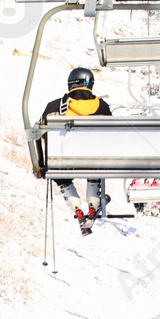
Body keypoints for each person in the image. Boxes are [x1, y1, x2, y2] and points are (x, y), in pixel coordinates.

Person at [42, 67, 112, 235]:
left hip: (62, 161)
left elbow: (41, 133)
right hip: (94, 160)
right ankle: (93, 204)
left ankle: (75, 204)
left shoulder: (54, 106)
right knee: (95, 166)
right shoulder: (102, 107)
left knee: (60, 173)